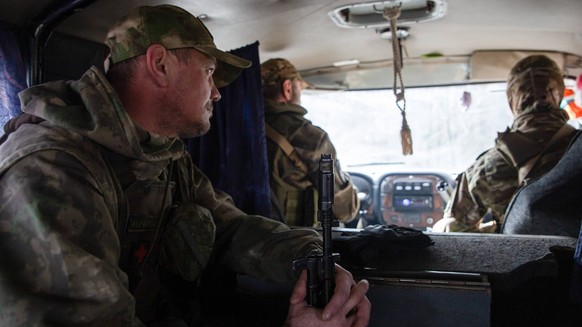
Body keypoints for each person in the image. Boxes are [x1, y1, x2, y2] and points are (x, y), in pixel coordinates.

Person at [0, 5, 370, 326]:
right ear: (159, 64)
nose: (217, 92)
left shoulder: (163, 156)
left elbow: (231, 229)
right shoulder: (53, 169)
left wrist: (311, 257)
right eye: (209, 72)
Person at [433, 54, 577, 233]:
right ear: (558, 93)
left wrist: (496, 231)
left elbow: (454, 233)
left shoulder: (487, 166)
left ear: (512, 99)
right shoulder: (578, 150)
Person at [261, 58, 360, 227]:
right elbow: (345, 211)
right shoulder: (311, 138)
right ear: (288, 88)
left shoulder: (239, 129)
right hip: (295, 245)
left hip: (247, 242)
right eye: (300, 88)